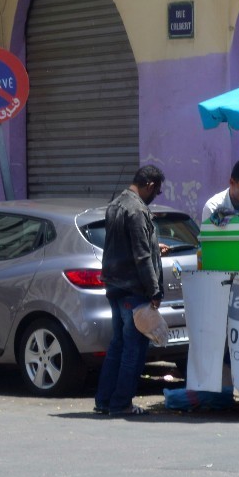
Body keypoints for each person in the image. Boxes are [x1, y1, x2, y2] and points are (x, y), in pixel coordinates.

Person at [94, 165, 166, 417]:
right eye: (157, 191)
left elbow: (129, 245)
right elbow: (141, 254)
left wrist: (157, 246)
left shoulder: (116, 204)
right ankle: (121, 403)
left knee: (118, 345)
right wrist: (154, 291)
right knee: (132, 349)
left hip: (115, 287)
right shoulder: (136, 210)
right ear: (149, 185)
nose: (156, 195)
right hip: (132, 290)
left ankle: (104, 401)